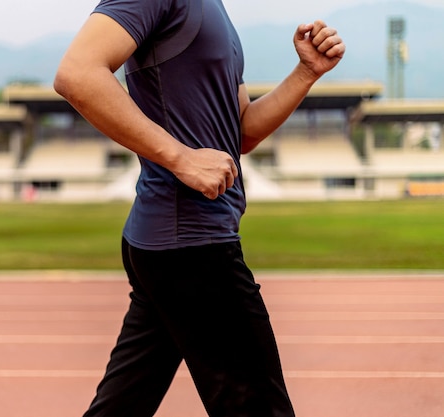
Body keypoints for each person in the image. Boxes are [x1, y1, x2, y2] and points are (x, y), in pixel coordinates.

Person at [54, 0, 345, 416]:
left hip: (175, 244)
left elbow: (240, 132)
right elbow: (77, 74)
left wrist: (306, 73)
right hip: (192, 244)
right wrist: (179, 157)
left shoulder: (215, 10)